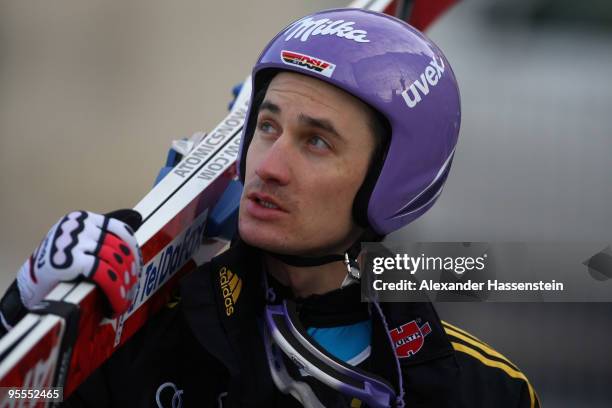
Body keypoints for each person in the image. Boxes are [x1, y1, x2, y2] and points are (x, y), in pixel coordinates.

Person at [0, 9, 539, 408]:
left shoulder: (484, 391)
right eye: (267, 126)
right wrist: (21, 306)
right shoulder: (152, 336)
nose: (269, 167)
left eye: (317, 142)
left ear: (394, 181)